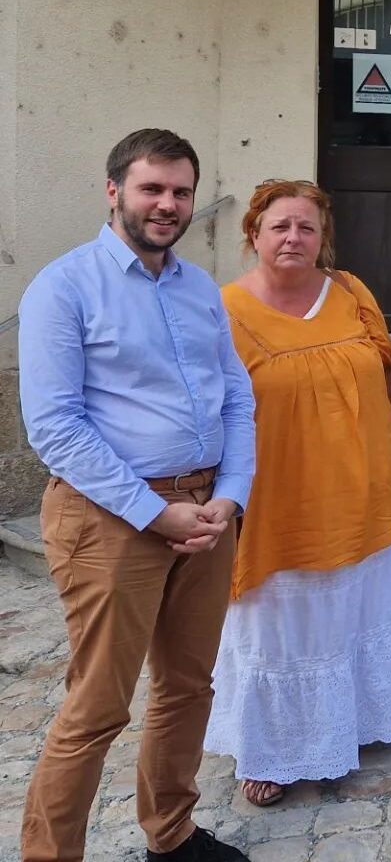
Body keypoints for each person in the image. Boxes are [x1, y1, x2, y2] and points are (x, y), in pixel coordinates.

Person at [18, 129, 255, 862]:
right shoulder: (64, 286)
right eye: (153, 188)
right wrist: (155, 512)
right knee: (97, 707)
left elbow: (237, 399)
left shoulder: (198, 289)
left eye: (181, 191)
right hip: (111, 519)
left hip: (207, 512)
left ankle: (173, 835)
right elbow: (54, 427)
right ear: (114, 190)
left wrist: (232, 494)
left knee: (188, 687)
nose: (169, 204)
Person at [202, 180, 391, 807]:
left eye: (306, 228)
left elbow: (384, 377)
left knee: (353, 611)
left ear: (323, 239)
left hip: (359, 490)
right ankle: (267, 748)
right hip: (279, 499)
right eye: (280, 227)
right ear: (253, 235)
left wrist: (363, 450)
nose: (293, 238)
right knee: (278, 624)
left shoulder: (351, 293)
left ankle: (353, 722)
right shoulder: (223, 309)